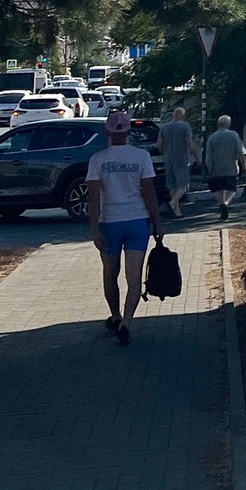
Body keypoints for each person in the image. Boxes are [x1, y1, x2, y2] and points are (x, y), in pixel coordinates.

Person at [84, 109, 164, 346]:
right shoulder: (141, 157)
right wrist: (157, 222)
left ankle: (116, 315)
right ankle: (127, 322)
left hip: (109, 222)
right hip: (137, 221)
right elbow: (149, 192)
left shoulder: (98, 159)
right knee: (134, 277)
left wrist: (94, 229)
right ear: (129, 131)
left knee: (110, 272)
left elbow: (93, 197)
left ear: (107, 132)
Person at [203, 112, 246, 215]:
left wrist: (210, 169)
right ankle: (226, 203)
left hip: (217, 168)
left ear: (218, 124)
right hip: (231, 167)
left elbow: (209, 156)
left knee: (220, 188)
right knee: (232, 188)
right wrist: (244, 166)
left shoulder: (212, 137)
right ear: (229, 124)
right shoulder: (234, 135)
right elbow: (241, 152)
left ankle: (222, 203)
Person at [158, 104, 198, 217]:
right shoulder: (185, 126)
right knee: (183, 185)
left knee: (172, 185)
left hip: (168, 159)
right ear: (182, 116)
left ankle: (177, 211)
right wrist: (196, 157)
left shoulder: (164, 127)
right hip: (181, 159)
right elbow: (189, 143)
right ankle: (173, 202)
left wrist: (164, 153)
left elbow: (159, 145)